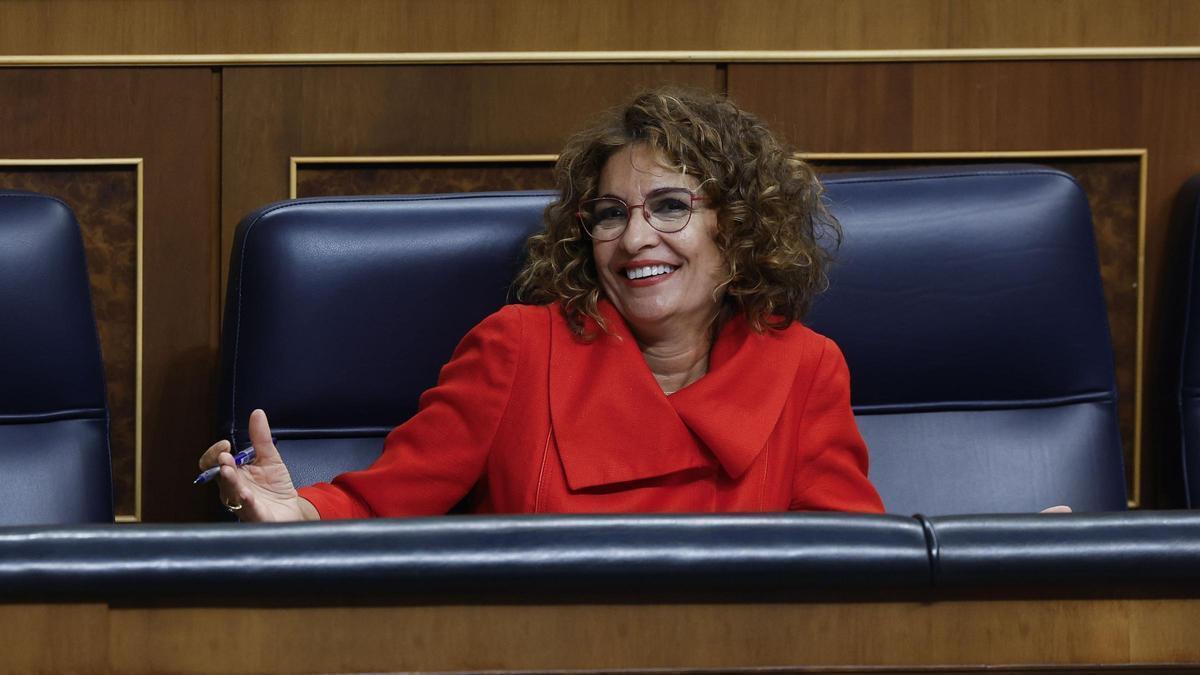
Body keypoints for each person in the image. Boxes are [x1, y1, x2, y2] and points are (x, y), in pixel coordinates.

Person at [198, 88, 885, 521]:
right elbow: (381, 501)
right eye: (610, 214)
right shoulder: (520, 348)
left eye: (670, 206)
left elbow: (855, 569)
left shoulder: (804, 367)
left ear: (735, 228)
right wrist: (297, 510)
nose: (635, 237)